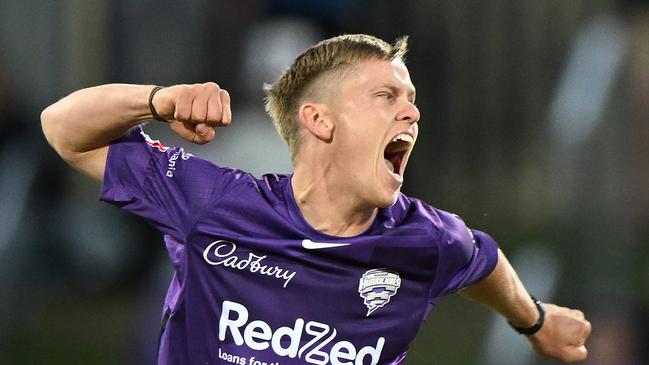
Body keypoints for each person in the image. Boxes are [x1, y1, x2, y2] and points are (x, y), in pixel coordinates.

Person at [41, 34, 591, 364]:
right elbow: (63, 128)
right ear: (319, 120)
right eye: (385, 96)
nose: (412, 112)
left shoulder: (425, 239)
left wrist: (536, 322)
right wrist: (157, 100)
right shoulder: (216, 207)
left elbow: (483, 259)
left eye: (412, 99)